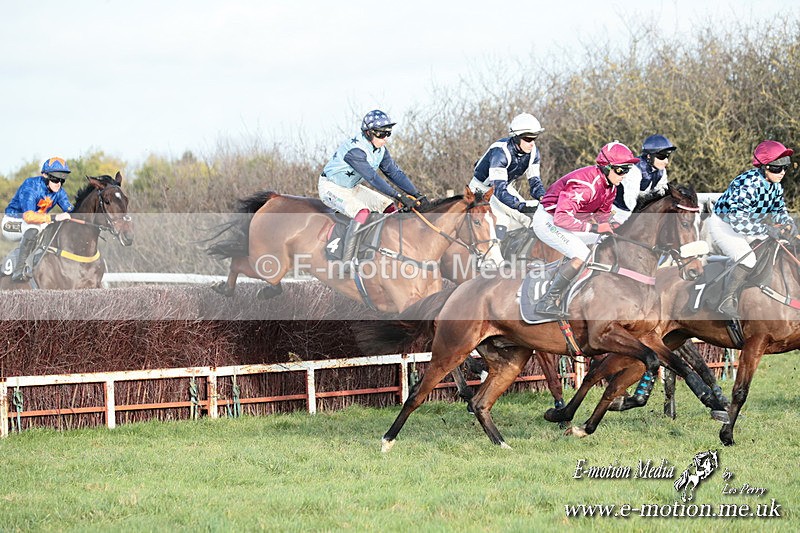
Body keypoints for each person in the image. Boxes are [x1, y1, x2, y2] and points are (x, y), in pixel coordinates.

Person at [532, 141, 639, 316]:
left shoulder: (611, 187)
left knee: (608, 240)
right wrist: (595, 227)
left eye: (627, 170)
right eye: (621, 170)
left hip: (570, 221)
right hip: (548, 221)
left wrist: (620, 228)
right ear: (606, 167)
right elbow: (561, 218)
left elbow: (603, 217)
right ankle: (547, 301)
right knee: (582, 254)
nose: (624, 175)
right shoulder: (586, 186)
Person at [319, 110, 426, 264]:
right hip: (331, 187)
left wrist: (417, 194)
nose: (386, 138)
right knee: (362, 212)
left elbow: (395, 173)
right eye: (382, 134)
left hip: (352, 187)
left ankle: (386, 249)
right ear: (369, 133)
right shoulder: (355, 151)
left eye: (388, 133)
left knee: (390, 207)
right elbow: (373, 178)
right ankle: (347, 261)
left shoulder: (380, 150)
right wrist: (399, 196)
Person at [706, 140, 796, 319]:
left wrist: (788, 224)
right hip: (725, 225)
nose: (782, 172)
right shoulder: (748, 184)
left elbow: (779, 211)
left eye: (785, 168)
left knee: (771, 249)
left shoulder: (776, 186)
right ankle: (726, 300)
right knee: (747, 259)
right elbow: (738, 223)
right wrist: (766, 229)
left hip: (749, 226)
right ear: (764, 167)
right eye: (777, 168)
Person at [469, 113, 545, 237]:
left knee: (527, 218)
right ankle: (495, 249)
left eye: (534, 138)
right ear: (516, 137)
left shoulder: (533, 152)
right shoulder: (500, 153)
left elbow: (535, 182)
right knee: (501, 221)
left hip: (504, 186)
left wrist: (543, 197)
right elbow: (498, 190)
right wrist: (519, 205)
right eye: (527, 139)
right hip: (481, 189)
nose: (532, 143)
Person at [2, 157, 74, 281]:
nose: (58, 183)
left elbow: (72, 211)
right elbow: (28, 217)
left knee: (52, 228)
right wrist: (55, 217)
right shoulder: (30, 186)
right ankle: (18, 271)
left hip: (36, 223)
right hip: (12, 222)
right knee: (33, 228)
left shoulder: (59, 192)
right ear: (45, 175)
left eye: (62, 180)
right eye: (55, 179)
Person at [613, 134, 678, 223]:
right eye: (662, 157)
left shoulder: (661, 171)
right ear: (649, 156)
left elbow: (662, 193)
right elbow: (630, 201)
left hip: (637, 211)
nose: (666, 161)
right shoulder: (634, 169)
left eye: (667, 156)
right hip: (618, 212)